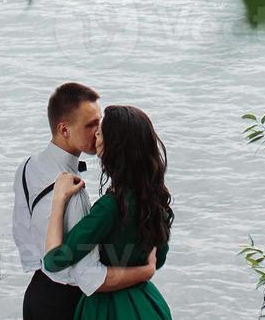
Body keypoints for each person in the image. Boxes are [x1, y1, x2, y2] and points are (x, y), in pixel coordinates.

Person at [13, 83, 158, 320]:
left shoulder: (28, 167)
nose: (99, 132)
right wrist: (144, 271)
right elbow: (91, 277)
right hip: (69, 304)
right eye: (91, 125)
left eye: (99, 123)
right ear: (64, 129)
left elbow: (23, 235)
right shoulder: (74, 193)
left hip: (37, 293)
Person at [43, 104, 172, 320]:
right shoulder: (155, 201)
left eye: (101, 132)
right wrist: (141, 268)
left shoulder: (110, 207)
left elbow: (54, 259)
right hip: (148, 306)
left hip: (107, 310)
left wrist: (58, 201)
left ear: (113, 146)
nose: (95, 134)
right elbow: (158, 260)